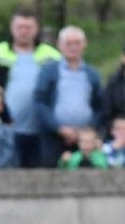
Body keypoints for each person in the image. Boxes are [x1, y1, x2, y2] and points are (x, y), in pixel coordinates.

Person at [0, 10, 62, 167]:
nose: (24, 31)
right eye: (20, 27)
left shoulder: (52, 56)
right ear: (12, 28)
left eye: (28, 27)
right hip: (6, 129)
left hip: (41, 130)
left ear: (36, 29)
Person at [34, 26, 106, 167]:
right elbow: (40, 103)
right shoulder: (48, 72)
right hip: (54, 138)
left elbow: (100, 106)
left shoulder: (92, 74)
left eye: (77, 43)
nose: (73, 47)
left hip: (86, 141)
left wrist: (88, 131)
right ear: (59, 45)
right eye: (68, 43)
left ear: (84, 45)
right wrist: (59, 128)